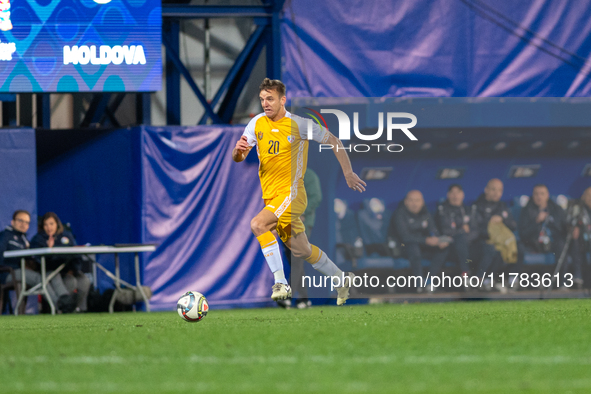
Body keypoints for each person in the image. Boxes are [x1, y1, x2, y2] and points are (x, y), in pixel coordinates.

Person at [232, 78, 366, 305]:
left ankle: (281, 282)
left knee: (258, 224)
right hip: (272, 197)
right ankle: (341, 278)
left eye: (270, 99)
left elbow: (333, 140)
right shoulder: (256, 123)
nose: (265, 103)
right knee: (301, 250)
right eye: (263, 99)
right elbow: (239, 158)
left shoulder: (299, 125)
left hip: (292, 194)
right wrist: (238, 151)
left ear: (282, 100)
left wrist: (348, 172)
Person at [0, 210, 70, 313]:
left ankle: (65, 300)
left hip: (24, 271)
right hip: (9, 272)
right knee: (39, 278)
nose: (23, 224)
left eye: (27, 222)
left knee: (50, 274)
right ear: (12, 222)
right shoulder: (5, 235)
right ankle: (61, 306)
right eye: (20, 221)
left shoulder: (24, 239)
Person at [390, 190, 449, 292]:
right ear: (406, 202)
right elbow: (405, 237)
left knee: (443, 248)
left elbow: (433, 231)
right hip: (403, 248)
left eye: (417, 200)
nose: (414, 204)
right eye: (411, 200)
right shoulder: (399, 214)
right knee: (413, 247)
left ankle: (430, 281)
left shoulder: (425, 213)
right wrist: (426, 240)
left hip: (422, 247)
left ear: (422, 202)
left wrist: (439, 240)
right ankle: (419, 284)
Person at [31, 212, 91, 312]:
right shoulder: (38, 239)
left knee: (84, 281)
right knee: (69, 281)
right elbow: (40, 260)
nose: (48, 227)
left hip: (68, 270)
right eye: (46, 224)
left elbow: (77, 255)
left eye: (51, 224)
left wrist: (73, 269)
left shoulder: (67, 236)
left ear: (57, 224)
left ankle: (79, 308)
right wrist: (49, 249)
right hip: (50, 271)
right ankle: (63, 307)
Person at [471, 179, 520, 285]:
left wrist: (502, 219)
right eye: (493, 189)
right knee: (493, 248)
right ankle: (482, 280)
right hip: (482, 241)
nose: (496, 193)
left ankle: (512, 280)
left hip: (500, 241)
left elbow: (513, 225)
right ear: (486, 190)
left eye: (499, 190)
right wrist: (490, 223)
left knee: (518, 246)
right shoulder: (477, 206)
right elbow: (477, 230)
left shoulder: (503, 206)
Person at [518, 184, 569, 280]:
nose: (539, 197)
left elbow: (562, 229)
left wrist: (550, 221)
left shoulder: (556, 209)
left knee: (561, 245)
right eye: (536, 194)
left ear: (547, 195)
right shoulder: (526, 210)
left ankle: (562, 282)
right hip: (534, 243)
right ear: (532, 195)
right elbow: (523, 234)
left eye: (542, 194)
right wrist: (536, 221)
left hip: (552, 243)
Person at [435, 184, 475, 276]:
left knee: (488, 248)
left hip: (468, 244)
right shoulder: (442, 209)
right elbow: (445, 230)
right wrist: (462, 232)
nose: (455, 196)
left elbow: (475, 230)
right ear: (448, 195)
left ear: (463, 195)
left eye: (458, 193)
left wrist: (465, 237)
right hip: (450, 245)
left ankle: (485, 280)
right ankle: (465, 274)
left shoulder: (469, 210)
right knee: (458, 241)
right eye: (452, 193)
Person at [570, 187, 591, 288]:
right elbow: (571, 221)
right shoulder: (579, 209)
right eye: (589, 195)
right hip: (583, 240)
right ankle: (578, 276)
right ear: (583, 197)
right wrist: (576, 227)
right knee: (576, 239)